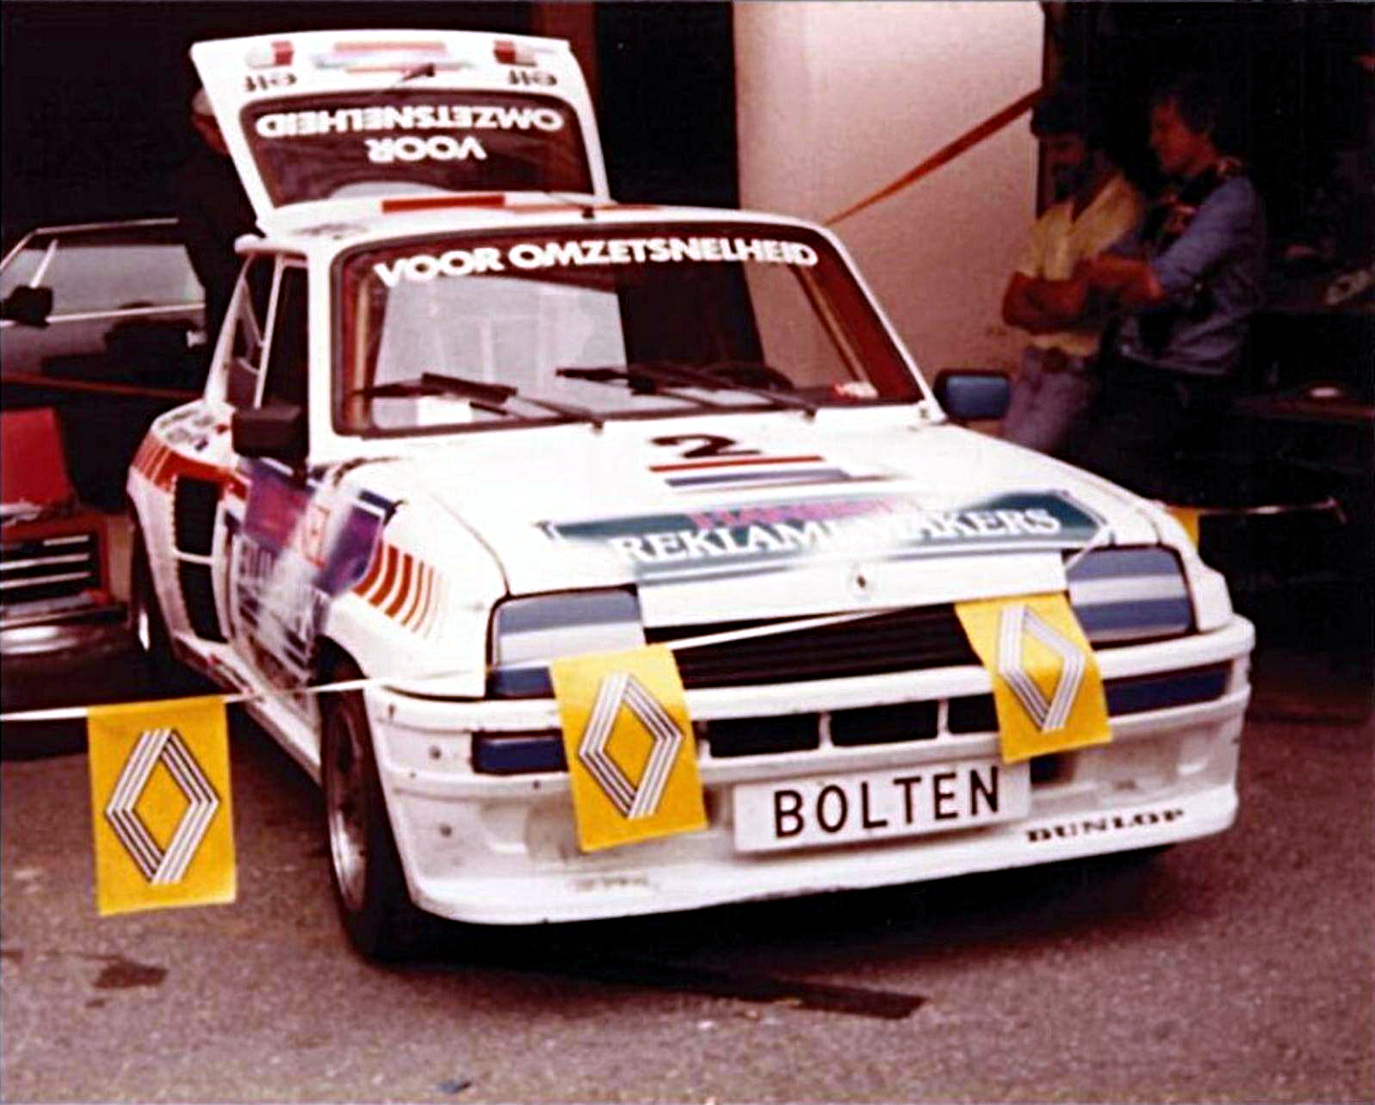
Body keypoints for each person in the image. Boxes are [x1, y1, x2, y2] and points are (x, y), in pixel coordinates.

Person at [1068, 73, 1267, 497]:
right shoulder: (1172, 202)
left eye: (1163, 127)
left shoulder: (1230, 200)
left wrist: (1137, 274)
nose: (1153, 141)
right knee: (1077, 469)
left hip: (1185, 383)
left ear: (1202, 129)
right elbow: (1099, 266)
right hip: (1137, 369)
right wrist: (1134, 274)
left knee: (1103, 481)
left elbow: (1157, 285)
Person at [999, 84, 1143, 456]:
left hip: (1074, 373)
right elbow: (1011, 306)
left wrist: (1038, 291)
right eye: (1049, 149)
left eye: (1063, 147)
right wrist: (1060, 294)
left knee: (1019, 468)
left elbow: (1075, 306)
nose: (1054, 161)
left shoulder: (1125, 213)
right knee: (1004, 461)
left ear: (1097, 149)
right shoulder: (1054, 218)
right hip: (1033, 368)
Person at [169, 89, 256, 349]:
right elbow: (207, 261)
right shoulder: (194, 181)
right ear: (198, 123)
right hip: (235, 311)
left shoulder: (270, 167)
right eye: (215, 126)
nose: (224, 136)